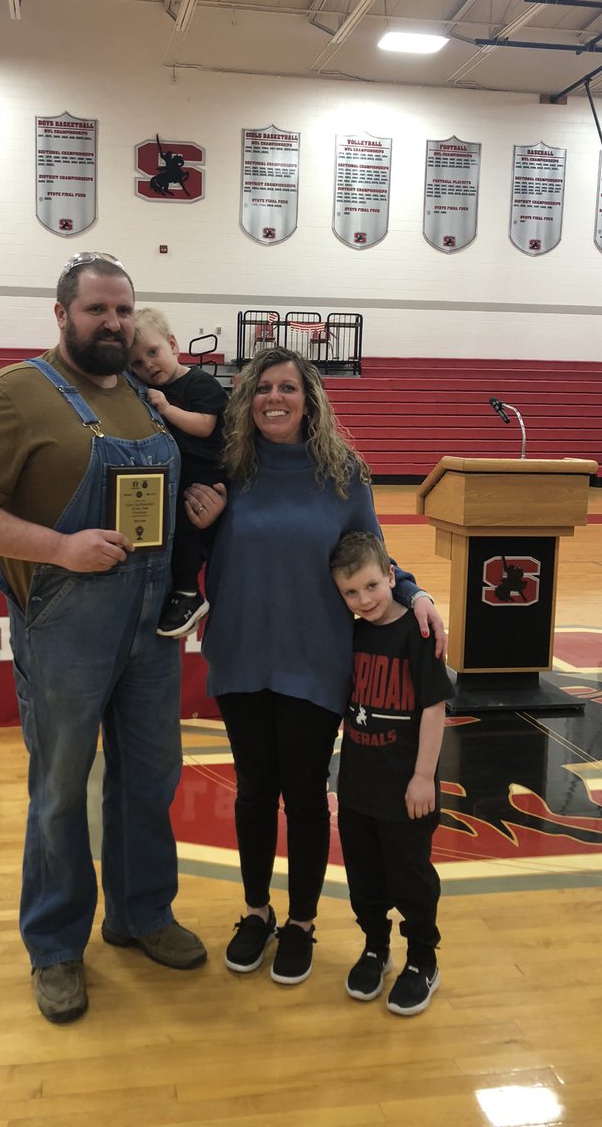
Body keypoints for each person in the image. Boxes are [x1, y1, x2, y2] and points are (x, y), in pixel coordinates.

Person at [0, 252, 206, 1026]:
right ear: (62, 316)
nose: (112, 323)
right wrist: (57, 549)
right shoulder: (16, 393)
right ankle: (54, 947)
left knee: (150, 780)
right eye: (96, 311)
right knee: (58, 793)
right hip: (66, 626)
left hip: (148, 626)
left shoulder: (150, 404)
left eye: (123, 311)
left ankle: (141, 913)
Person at [182, 347, 446, 986]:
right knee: (251, 794)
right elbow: (193, 549)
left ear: (310, 398)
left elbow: (371, 555)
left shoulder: (343, 475)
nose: (275, 398)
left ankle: (300, 921)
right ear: (248, 400)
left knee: (303, 797)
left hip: (313, 660)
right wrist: (206, 528)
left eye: (288, 388)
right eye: (262, 388)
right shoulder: (229, 472)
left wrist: (414, 593)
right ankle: (255, 911)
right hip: (242, 655)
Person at [330, 530, 455, 1016]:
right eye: (351, 592)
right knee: (365, 878)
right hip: (359, 784)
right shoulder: (352, 629)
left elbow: (433, 707)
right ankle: (375, 947)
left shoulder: (418, 632)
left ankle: (423, 959)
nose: (364, 600)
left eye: (371, 586)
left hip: (408, 789)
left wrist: (424, 777)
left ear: (391, 576)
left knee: (411, 878)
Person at [128, 307, 227, 638]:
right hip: (178, 477)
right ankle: (174, 589)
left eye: (153, 352)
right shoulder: (151, 391)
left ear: (173, 345)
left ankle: (189, 593)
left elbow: (205, 425)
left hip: (207, 477)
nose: (148, 365)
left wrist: (167, 409)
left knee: (188, 533)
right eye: (137, 363)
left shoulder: (200, 382)